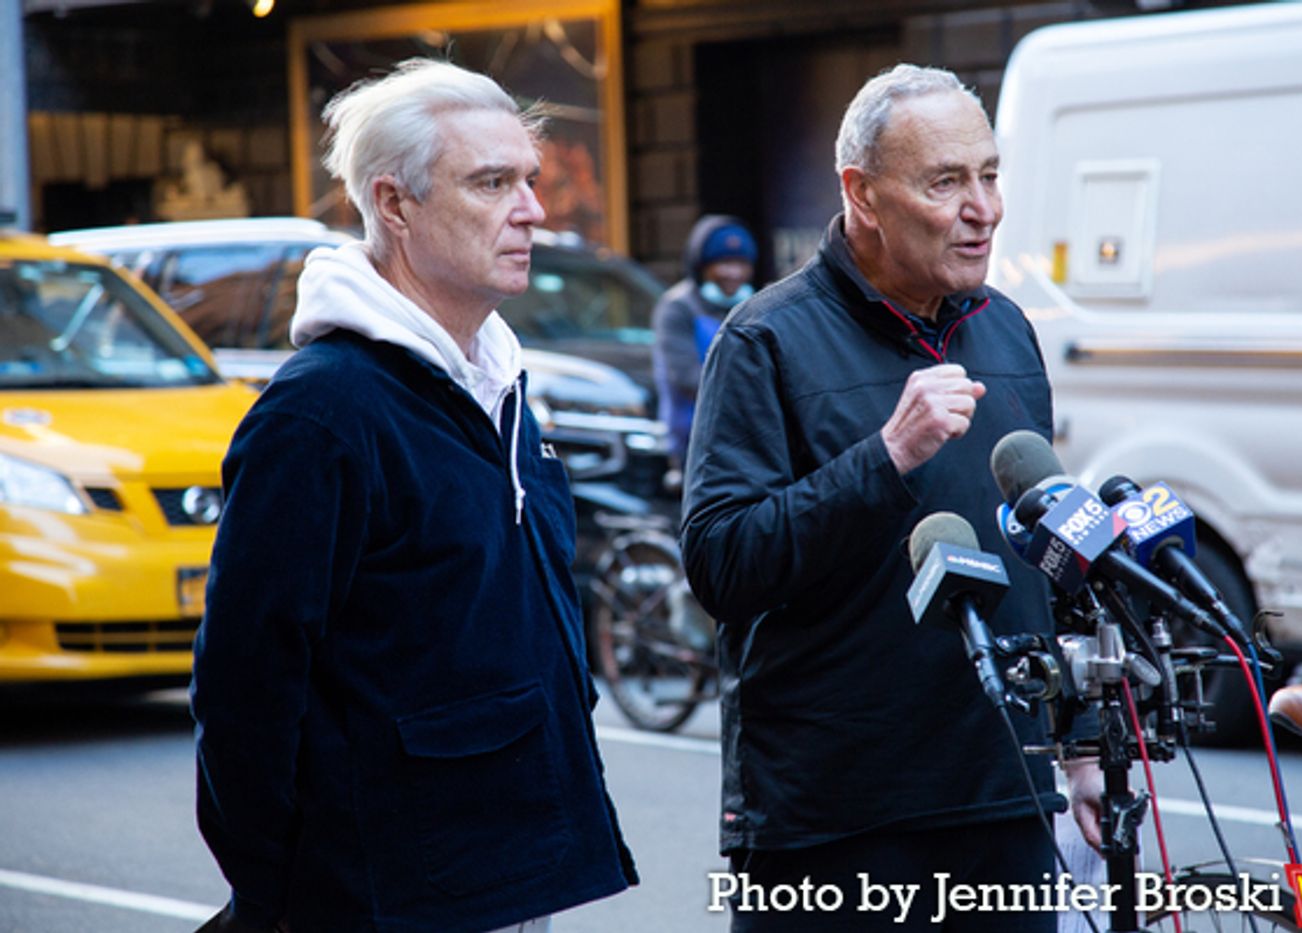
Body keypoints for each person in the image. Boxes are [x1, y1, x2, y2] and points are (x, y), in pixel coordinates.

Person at [190, 59, 636, 933]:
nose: (533, 210)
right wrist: (284, 895)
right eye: (492, 182)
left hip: (513, 873)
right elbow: (245, 687)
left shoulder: (501, 386)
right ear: (395, 205)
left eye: (530, 181)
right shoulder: (323, 411)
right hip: (387, 896)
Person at [680, 64, 1101, 931]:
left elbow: (1042, 555)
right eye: (946, 181)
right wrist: (886, 456)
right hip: (835, 820)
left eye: (990, 174)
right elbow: (723, 562)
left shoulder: (1008, 329)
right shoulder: (765, 339)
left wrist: (1084, 742)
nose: (982, 207)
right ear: (862, 195)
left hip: (1004, 799)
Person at [651, 214, 757, 472]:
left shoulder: (755, 305)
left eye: (741, 263)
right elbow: (686, 377)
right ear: (701, 266)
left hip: (748, 441)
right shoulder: (678, 308)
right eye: (723, 263)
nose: (734, 273)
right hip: (694, 442)